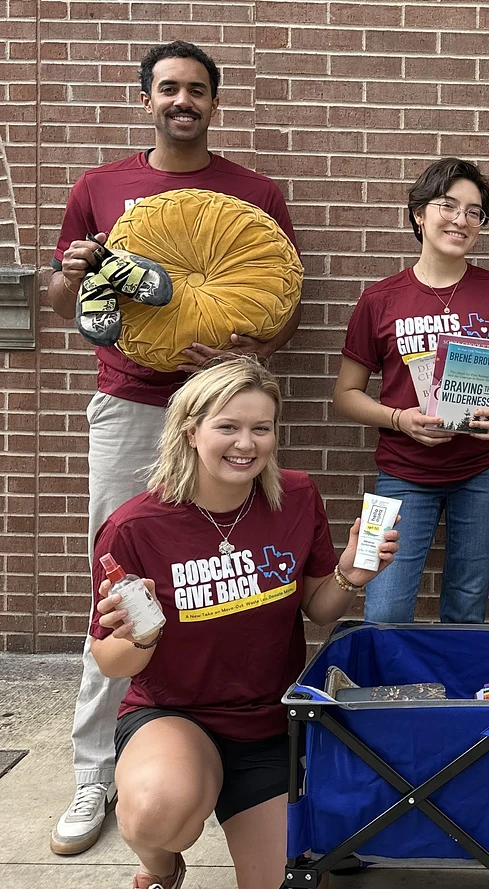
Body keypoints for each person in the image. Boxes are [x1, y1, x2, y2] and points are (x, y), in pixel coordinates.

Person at [47, 40, 300, 855]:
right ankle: (97, 769)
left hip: (223, 414)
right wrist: (78, 269)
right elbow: (61, 302)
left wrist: (243, 347)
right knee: (119, 587)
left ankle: (233, 751)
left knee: (225, 576)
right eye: (168, 89)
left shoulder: (254, 193)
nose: (182, 100)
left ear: (214, 104)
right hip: (131, 406)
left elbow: (282, 308)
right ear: (146, 99)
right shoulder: (101, 188)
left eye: (196, 89)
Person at [89, 358, 398, 889]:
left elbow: (318, 609)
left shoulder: (297, 497)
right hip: (175, 715)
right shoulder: (136, 525)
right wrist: (139, 636)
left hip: (271, 722)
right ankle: (161, 868)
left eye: (261, 428)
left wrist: (350, 574)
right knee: (156, 811)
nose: (246, 444)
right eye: (227, 427)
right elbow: (111, 660)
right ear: (191, 430)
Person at [334, 157, 489, 624]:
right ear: (419, 214)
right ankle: (387, 696)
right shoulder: (380, 299)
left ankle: (451, 696)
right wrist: (400, 419)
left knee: (467, 605)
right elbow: (345, 394)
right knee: (383, 610)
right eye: (448, 206)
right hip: (403, 473)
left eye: (474, 212)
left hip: (485, 471)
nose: (461, 220)